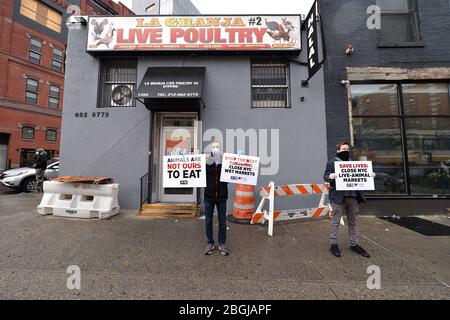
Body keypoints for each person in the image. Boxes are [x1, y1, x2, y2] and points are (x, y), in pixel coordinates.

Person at [323, 142, 375, 258]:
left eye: (347, 149)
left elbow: (361, 176)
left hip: (353, 197)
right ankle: (333, 244)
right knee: (335, 221)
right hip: (338, 197)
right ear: (338, 150)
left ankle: (354, 244)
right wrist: (330, 177)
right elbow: (325, 176)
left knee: (353, 222)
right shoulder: (331, 163)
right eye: (343, 149)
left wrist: (369, 175)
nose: (346, 150)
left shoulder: (354, 164)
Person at [203, 142, 229, 256]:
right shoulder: (207, 160)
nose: (216, 148)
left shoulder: (226, 161)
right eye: (214, 147)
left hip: (222, 196)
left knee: (222, 221)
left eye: (217, 147)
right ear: (211, 149)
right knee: (208, 220)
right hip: (209, 196)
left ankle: (222, 243)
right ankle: (210, 242)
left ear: (220, 148)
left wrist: (239, 158)